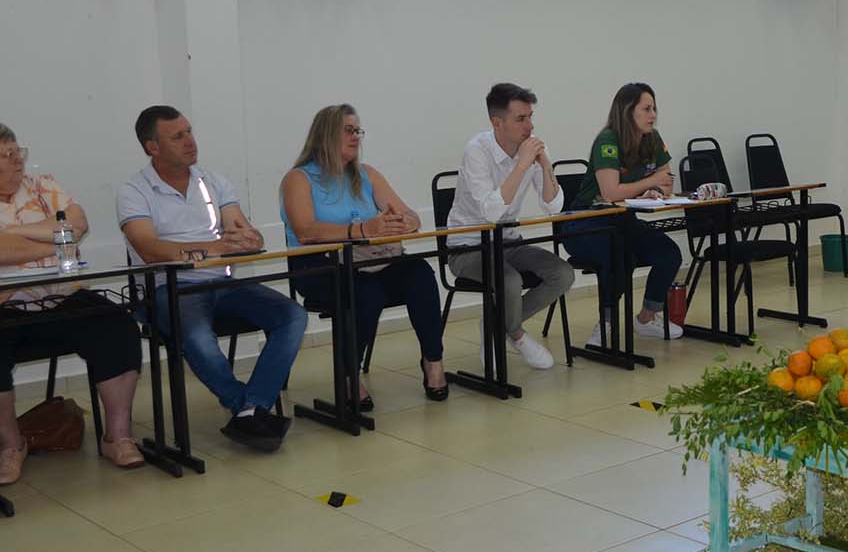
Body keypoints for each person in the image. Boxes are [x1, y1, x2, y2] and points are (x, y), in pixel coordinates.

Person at [119, 106, 307, 453]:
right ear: (152, 147)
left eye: (189, 132)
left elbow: (240, 228)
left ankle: (251, 407)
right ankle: (247, 407)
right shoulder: (134, 191)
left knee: (293, 315)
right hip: (170, 288)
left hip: (225, 283)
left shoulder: (214, 181)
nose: (190, 142)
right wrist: (216, 245)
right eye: (177, 136)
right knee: (198, 338)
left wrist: (249, 238)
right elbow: (150, 249)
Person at [1, 123, 145, 483]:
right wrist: (55, 240)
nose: (18, 160)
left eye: (19, 150)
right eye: (7, 155)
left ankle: (117, 436)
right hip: (6, 304)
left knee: (117, 325)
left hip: (61, 295)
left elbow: (77, 224)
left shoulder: (43, 184)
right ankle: (10, 446)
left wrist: (13, 233)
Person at [281, 105, 448, 405]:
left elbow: (410, 216)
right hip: (318, 266)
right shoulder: (299, 179)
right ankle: (348, 374)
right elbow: (306, 231)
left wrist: (403, 222)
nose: (356, 136)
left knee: (420, 273)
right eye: (348, 130)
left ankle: (432, 360)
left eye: (358, 130)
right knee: (366, 292)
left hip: (371, 258)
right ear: (325, 135)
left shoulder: (366, 174)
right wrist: (358, 230)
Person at [448, 84, 574, 370]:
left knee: (562, 274)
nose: (530, 126)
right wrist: (522, 165)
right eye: (521, 119)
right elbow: (491, 212)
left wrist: (544, 166)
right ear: (497, 122)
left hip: (508, 243)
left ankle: (497, 323)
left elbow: (553, 208)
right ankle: (515, 333)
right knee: (510, 280)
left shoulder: (532, 149)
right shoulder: (476, 151)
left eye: (530, 117)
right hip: (467, 247)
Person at [562, 82, 683, 343]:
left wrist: (652, 192)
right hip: (585, 222)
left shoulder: (652, 138)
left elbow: (667, 179)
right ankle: (605, 324)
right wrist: (650, 183)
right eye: (646, 108)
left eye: (654, 109)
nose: (653, 115)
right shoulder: (608, 140)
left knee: (669, 253)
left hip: (621, 219)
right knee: (620, 256)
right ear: (628, 111)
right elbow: (610, 193)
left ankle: (647, 317)